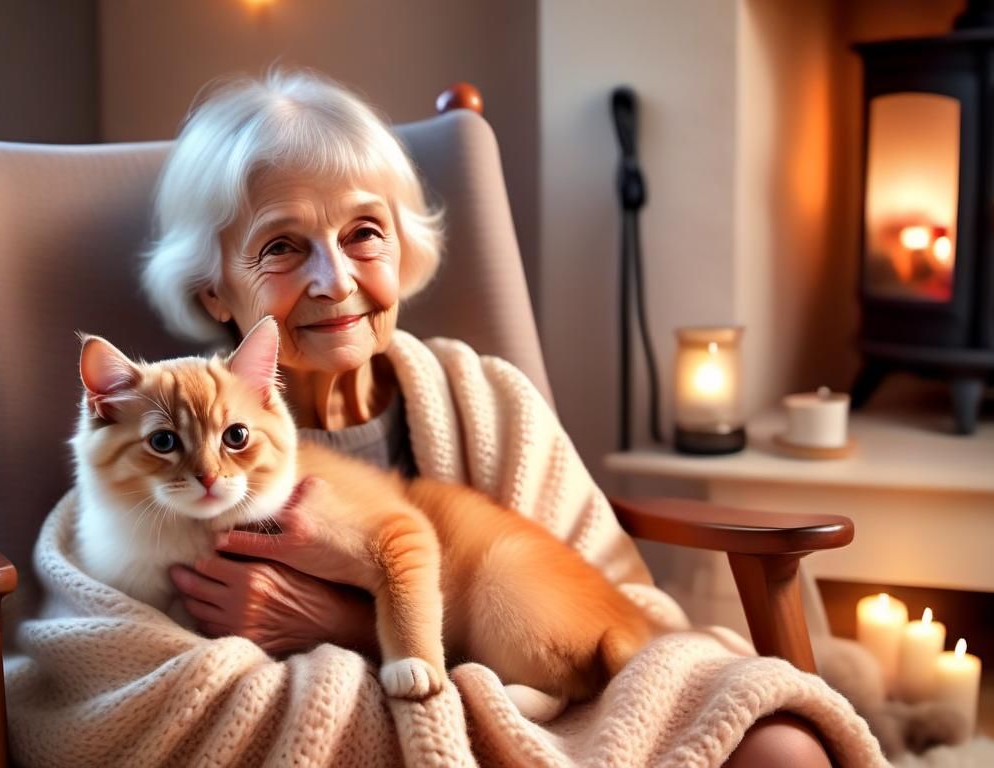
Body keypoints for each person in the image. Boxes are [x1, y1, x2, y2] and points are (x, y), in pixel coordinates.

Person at [142, 69, 838, 768]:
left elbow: (607, 603)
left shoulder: (486, 397)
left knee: (786, 749)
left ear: (402, 245)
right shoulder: (171, 448)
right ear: (213, 290)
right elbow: (165, 672)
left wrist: (351, 624)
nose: (337, 280)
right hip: (346, 732)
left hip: (540, 705)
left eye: (362, 233)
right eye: (283, 248)